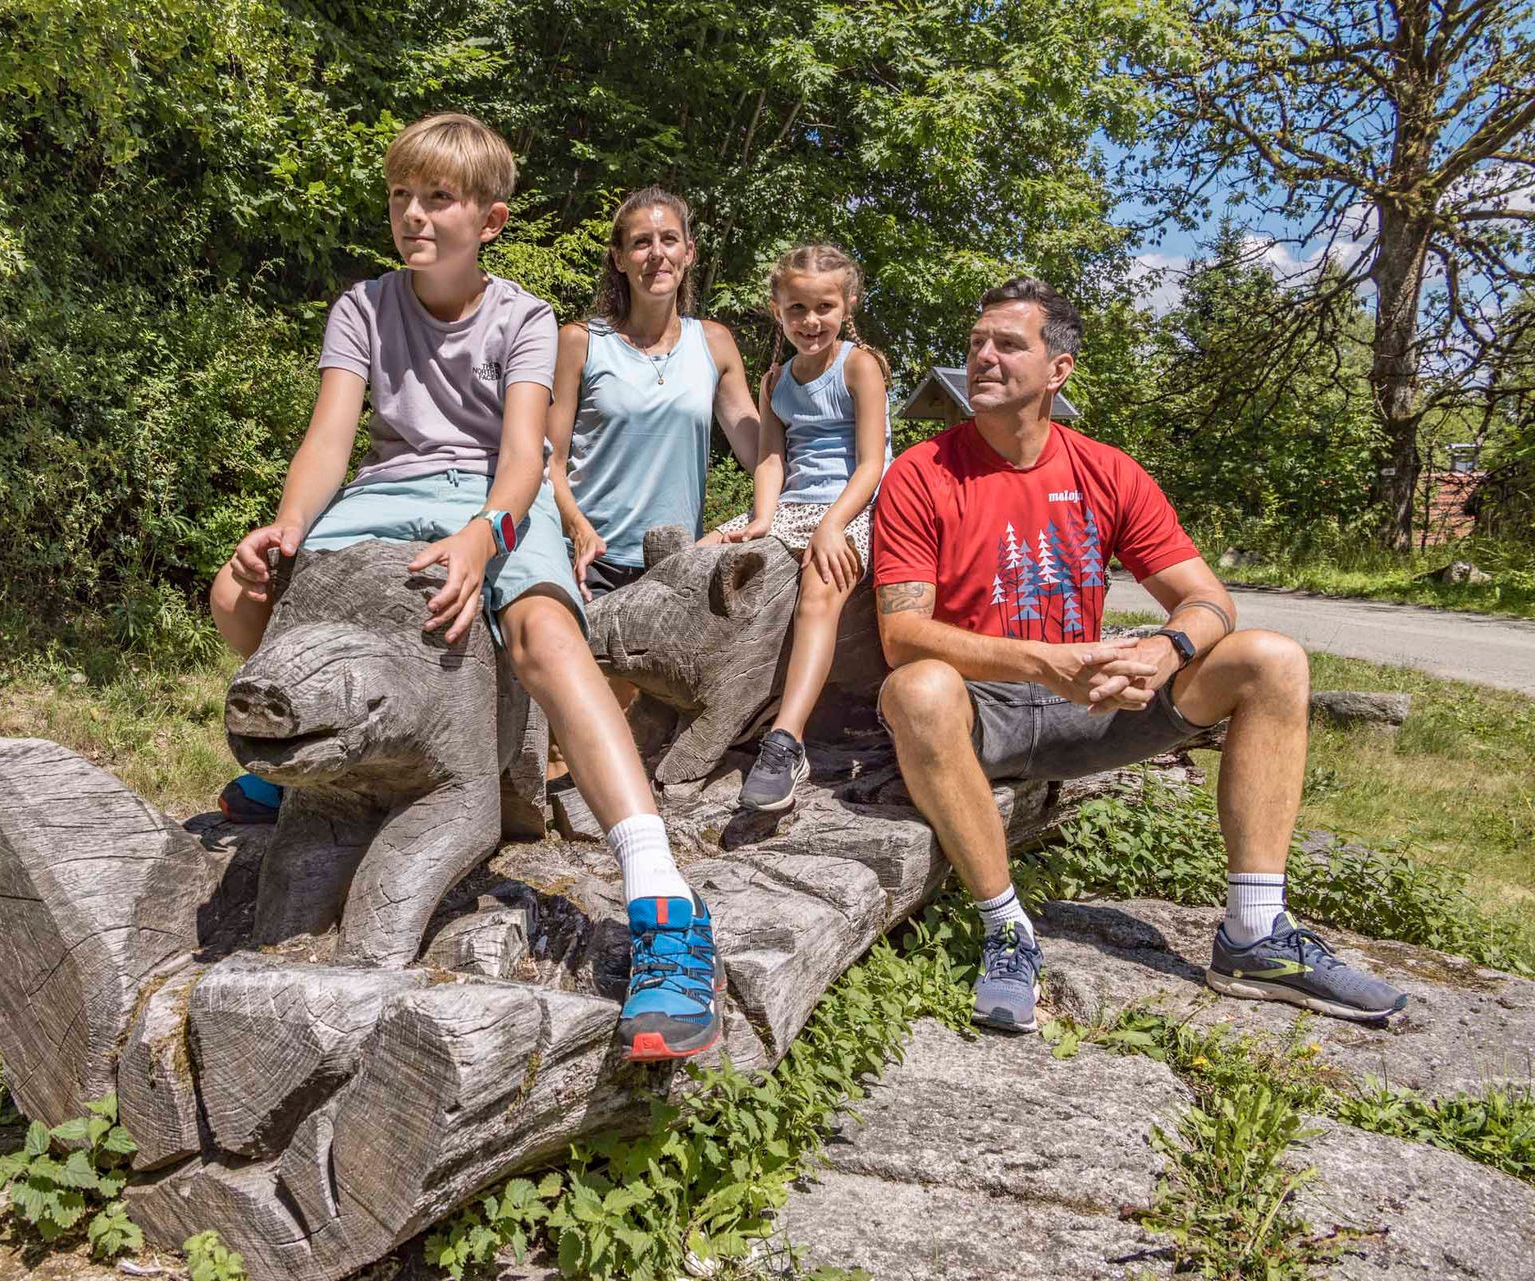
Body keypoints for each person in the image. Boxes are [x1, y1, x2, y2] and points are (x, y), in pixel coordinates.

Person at [207, 114, 722, 1061]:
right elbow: (331, 437)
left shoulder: (523, 318)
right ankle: (324, 762)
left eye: (436, 199)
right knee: (233, 599)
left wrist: (489, 535)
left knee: (543, 636)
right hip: (383, 493)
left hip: (486, 494)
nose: (413, 215)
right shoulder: (363, 306)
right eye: (401, 196)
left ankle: (663, 902)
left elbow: (524, 451)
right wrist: (285, 529)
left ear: (489, 218)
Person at [871, 276, 1406, 1033]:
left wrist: (1166, 647)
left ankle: (1255, 934)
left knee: (1272, 658)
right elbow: (904, 634)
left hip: (1093, 709)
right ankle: (1006, 929)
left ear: (1058, 371)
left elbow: (1210, 599)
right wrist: (1043, 661)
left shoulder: (1108, 471)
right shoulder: (921, 473)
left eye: (1007, 344)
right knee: (918, 687)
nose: (983, 357)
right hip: (978, 714)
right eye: (976, 344)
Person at [701, 244, 890, 812]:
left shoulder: (860, 366)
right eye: (797, 309)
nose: (811, 321)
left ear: (848, 304)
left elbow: (872, 462)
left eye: (824, 307)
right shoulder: (775, 378)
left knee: (820, 588)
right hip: (792, 505)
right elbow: (770, 459)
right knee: (696, 556)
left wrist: (833, 525)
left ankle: (787, 739)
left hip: (855, 505)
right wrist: (760, 519)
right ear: (777, 310)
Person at [547, 187, 761, 604]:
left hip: (678, 564)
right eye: (641, 242)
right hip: (589, 559)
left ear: (689, 253)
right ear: (619, 258)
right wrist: (576, 527)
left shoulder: (714, 343)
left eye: (669, 240)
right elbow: (548, 462)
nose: (656, 253)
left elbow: (761, 455)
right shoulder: (581, 342)